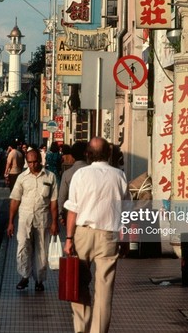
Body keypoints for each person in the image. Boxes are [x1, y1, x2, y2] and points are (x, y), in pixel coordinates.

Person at [63, 137, 131, 333]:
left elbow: (73, 210)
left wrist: (69, 239)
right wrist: (125, 239)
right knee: (104, 291)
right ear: (108, 154)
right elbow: (126, 210)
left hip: (82, 234)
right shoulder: (119, 176)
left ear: (88, 154)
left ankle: (81, 328)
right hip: (109, 236)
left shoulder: (80, 175)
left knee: (79, 283)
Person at [7, 149, 59, 292]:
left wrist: (55, 222)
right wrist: (11, 222)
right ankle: (24, 276)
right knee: (23, 246)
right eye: (29, 162)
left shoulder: (50, 177)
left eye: (35, 161)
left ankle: (39, 280)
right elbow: (15, 200)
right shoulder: (22, 178)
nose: (33, 165)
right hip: (25, 218)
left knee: (41, 250)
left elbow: (54, 202)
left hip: (43, 218)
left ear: (40, 161)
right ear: (26, 162)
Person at [57, 141, 88, 225]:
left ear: (73, 155)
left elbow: (62, 196)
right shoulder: (93, 172)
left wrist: (61, 214)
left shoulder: (67, 173)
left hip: (72, 215)